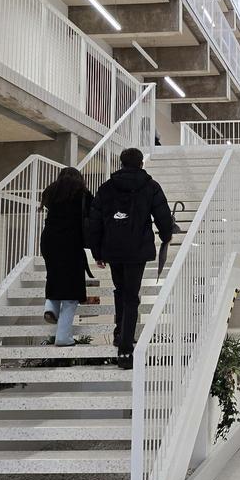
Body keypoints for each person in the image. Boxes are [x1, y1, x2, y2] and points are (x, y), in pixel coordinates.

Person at [86, 147, 174, 370]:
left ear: (121, 163)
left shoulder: (106, 188)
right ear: (141, 163)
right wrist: (166, 236)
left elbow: (95, 221)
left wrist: (97, 251)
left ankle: (119, 332)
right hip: (137, 248)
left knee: (120, 289)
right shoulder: (151, 187)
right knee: (131, 295)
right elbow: (162, 215)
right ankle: (125, 348)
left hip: (113, 248)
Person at [39, 167, 92, 347]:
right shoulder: (83, 194)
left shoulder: (51, 192)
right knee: (72, 290)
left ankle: (50, 308)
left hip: (49, 240)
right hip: (71, 242)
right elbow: (93, 215)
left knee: (54, 275)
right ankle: (63, 337)